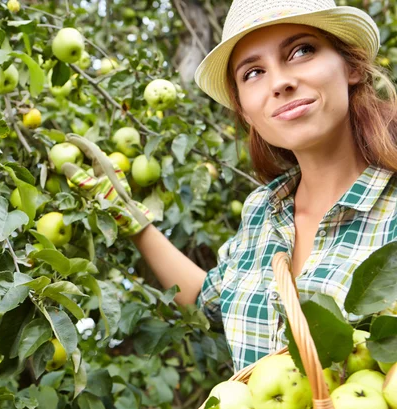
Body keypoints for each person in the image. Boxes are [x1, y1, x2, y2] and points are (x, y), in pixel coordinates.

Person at [62, 0, 397, 372]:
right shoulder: (263, 209)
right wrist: (126, 215)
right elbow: (210, 301)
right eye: (253, 72)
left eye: (302, 51)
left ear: (350, 66)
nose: (280, 82)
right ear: (245, 109)